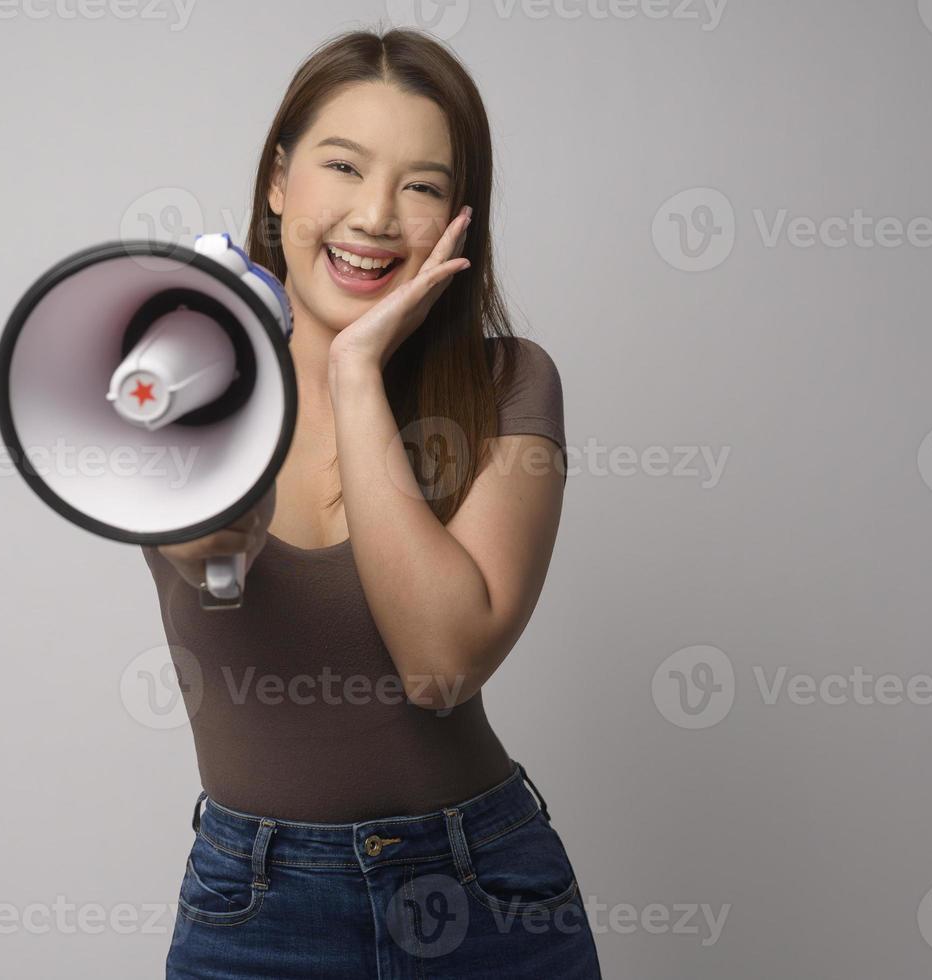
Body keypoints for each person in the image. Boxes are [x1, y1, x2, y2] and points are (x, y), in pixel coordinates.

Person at [141, 26, 604, 979]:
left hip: (484, 891)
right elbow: (206, 557)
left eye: (422, 185)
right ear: (279, 182)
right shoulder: (180, 378)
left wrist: (354, 372)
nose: (375, 215)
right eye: (343, 166)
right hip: (253, 908)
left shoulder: (510, 384)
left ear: (457, 219)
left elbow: (441, 664)